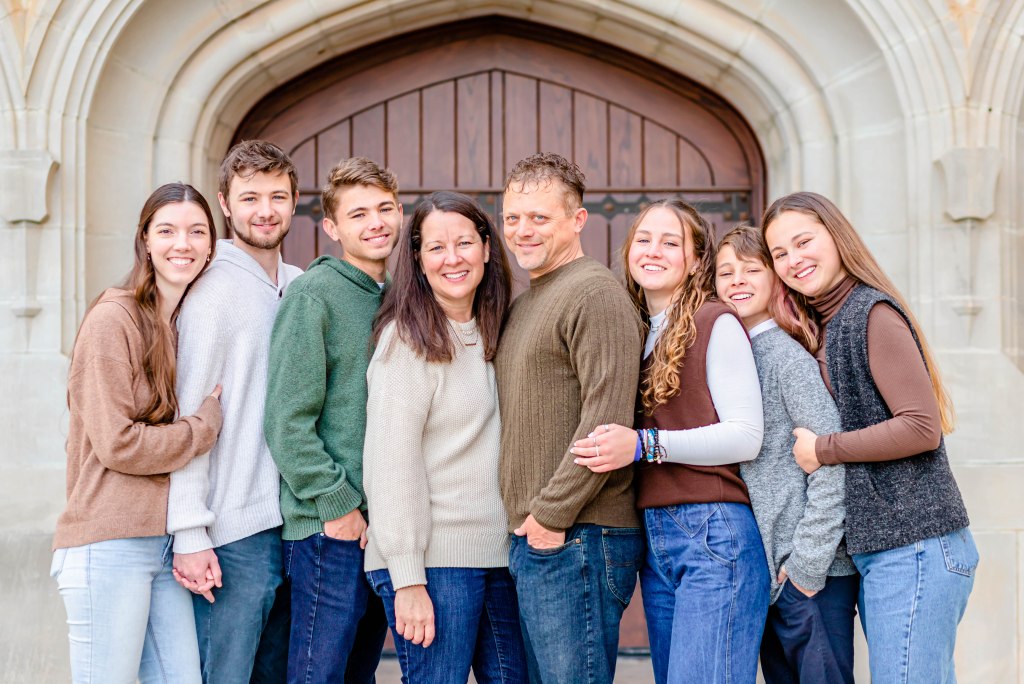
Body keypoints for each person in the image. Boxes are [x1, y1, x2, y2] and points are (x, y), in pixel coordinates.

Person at [762, 191, 977, 684]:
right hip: (887, 552)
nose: (794, 260)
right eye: (780, 253)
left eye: (803, 242)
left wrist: (823, 449)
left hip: (917, 546)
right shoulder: (828, 322)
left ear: (836, 237)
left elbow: (921, 427)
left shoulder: (870, 313)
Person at [571, 200, 768, 684]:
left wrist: (644, 445)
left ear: (696, 259)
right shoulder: (637, 332)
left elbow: (747, 436)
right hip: (656, 537)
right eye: (644, 239)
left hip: (713, 530)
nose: (653, 250)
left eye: (670, 241)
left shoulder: (714, 322)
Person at [51, 183, 221, 683]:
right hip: (107, 543)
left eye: (196, 232)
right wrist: (203, 426)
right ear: (145, 240)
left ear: (212, 245)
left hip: (160, 545)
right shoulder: (113, 318)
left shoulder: (177, 325)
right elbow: (117, 443)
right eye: (166, 231)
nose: (182, 244)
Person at [363, 190, 525, 683]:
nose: (452, 258)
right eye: (436, 247)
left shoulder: (499, 329)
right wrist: (407, 577)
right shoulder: (407, 341)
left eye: (464, 243)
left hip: (500, 556)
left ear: (486, 248)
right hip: (433, 564)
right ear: (417, 259)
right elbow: (391, 464)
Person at [494, 152, 645, 683]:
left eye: (539, 217)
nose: (521, 231)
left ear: (577, 219)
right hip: (543, 537)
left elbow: (604, 423)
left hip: (578, 535)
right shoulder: (530, 299)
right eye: (512, 218)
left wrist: (549, 517)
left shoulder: (595, 294)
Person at [167, 140, 303, 683]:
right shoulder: (210, 292)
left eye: (277, 196)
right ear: (225, 203)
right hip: (228, 533)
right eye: (250, 197)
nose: (264, 210)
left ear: (295, 203)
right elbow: (187, 420)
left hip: (289, 525)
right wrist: (191, 533)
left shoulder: (298, 286)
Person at [263, 157, 398, 683]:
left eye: (385, 208)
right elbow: (286, 421)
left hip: (378, 528)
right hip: (327, 529)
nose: (375, 223)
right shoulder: (313, 296)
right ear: (333, 227)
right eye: (359, 213)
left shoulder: (394, 297)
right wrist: (338, 506)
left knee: (356, 675)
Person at [715, 225, 858, 683]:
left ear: (776, 277)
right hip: (772, 578)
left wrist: (805, 570)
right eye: (725, 272)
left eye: (751, 269)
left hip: (810, 578)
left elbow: (830, 465)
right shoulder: (737, 354)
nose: (737, 280)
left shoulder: (786, 357)